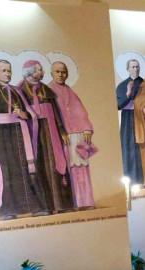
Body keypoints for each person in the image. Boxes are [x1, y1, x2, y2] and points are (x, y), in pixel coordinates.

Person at [0, 59, 50, 220]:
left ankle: (33, 208)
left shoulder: (16, 91)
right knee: (4, 174)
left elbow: (29, 114)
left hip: (18, 135)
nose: (7, 74)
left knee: (24, 170)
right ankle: (7, 211)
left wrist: (23, 114)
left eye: (9, 71)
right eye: (4, 71)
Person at [18, 60, 75, 214]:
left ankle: (61, 205)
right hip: (32, 134)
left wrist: (62, 131)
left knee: (56, 165)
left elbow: (55, 111)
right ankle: (44, 208)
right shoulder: (20, 90)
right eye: (39, 70)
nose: (42, 72)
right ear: (30, 72)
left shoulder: (45, 89)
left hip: (50, 133)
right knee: (39, 168)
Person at [49, 61, 95, 210]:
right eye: (57, 72)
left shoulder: (70, 91)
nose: (60, 75)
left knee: (81, 167)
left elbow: (81, 111)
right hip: (62, 136)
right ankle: (72, 202)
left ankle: (85, 202)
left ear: (67, 74)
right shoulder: (49, 90)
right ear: (51, 73)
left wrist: (87, 129)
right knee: (67, 169)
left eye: (63, 72)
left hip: (78, 135)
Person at [116, 59, 144, 184]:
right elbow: (118, 105)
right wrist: (128, 94)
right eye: (133, 67)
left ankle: (143, 179)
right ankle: (131, 180)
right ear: (128, 69)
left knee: (141, 149)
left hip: (142, 118)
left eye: (137, 67)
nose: (135, 69)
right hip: (128, 119)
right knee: (128, 147)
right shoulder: (122, 85)